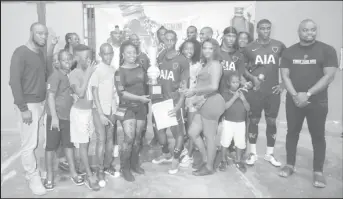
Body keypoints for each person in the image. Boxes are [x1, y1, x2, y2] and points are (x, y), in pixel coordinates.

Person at [279, 19, 338, 188]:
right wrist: (296, 95)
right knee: (292, 133)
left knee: (318, 136)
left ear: (316, 31)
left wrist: (309, 94)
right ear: (299, 32)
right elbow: (285, 76)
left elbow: (329, 76)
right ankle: (290, 164)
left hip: (317, 102)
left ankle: (318, 172)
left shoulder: (327, 50)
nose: (309, 33)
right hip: (294, 101)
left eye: (312, 30)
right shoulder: (289, 52)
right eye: (305, 30)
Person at [9, 22, 49, 195]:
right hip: (28, 105)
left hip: (41, 104)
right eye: (40, 33)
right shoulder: (20, 52)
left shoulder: (39, 53)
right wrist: (23, 108)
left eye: (45, 34)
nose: (43, 37)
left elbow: (44, 76)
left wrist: (45, 101)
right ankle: (32, 176)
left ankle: (37, 171)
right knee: (29, 144)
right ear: (31, 33)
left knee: (40, 141)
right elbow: (14, 82)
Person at [243, 19, 286, 167]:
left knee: (271, 121)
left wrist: (283, 84)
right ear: (257, 30)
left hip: (273, 91)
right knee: (254, 120)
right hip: (255, 91)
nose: (266, 31)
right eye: (262, 28)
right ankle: (253, 153)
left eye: (268, 28)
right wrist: (251, 78)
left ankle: (269, 154)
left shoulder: (278, 45)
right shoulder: (249, 48)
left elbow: (288, 64)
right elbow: (242, 69)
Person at [43, 50, 85, 190]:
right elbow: (50, 97)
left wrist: (72, 96)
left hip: (67, 118)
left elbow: (65, 92)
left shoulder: (68, 76)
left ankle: (73, 173)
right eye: (64, 60)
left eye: (69, 59)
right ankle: (49, 176)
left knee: (68, 145)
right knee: (51, 147)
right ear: (58, 62)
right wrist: (54, 117)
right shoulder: (55, 76)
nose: (67, 62)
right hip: (56, 118)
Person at [184, 39, 225, 176]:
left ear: (215, 50)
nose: (207, 51)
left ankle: (209, 167)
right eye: (205, 48)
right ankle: (207, 159)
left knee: (209, 137)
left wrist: (195, 91)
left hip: (212, 102)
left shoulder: (215, 64)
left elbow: (214, 86)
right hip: (203, 102)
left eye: (210, 48)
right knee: (192, 133)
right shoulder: (207, 63)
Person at [151, 30, 190, 175]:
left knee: (177, 133)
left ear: (176, 40)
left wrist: (179, 104)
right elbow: (157, 79)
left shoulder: (182, 60)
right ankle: (166, 154)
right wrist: (154, 96)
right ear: (162, 40)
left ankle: (176, 159)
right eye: (166, 40)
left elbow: (185, 85)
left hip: (174, 102)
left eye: (171, 40)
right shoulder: (160, 56)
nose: (169, 42)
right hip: (160, 101)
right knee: (159, 129)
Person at [114, 41, 150, 181]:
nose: (132, 55)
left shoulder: (141, 68)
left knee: (137, 138)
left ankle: (134, 164)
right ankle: (125, 168)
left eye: (134, 52)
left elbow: (148, 84)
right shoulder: (119, 72)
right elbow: (121, 93)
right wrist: (140, 98)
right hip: (126, 108)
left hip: (141, 108)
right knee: (129, 138)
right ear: (123, 54)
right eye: (128, 52)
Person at [68, 44, 100, 190]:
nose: (89, 60)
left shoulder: (92, 70)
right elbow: (80, 93)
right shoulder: (74, 73)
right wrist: (88, 73)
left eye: (90, 57)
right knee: (83, 145)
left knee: (86, 143)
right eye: (85, 58)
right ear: (76, 58)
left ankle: (84, 167)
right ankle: (89, 175)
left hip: (89, 112)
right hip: (79, 113)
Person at [90, 43, 120, 186]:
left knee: (109, 141)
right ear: (100, 55)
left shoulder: (113, 70)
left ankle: (108, 166)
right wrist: (101, 114)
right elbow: (94, 91)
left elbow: (114, 92)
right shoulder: (97, 70)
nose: (108, 56)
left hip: (112, 111)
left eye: (110, 53)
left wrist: (115, 109)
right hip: (100, 111)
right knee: (101, 140)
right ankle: (99, 169)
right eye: (105, 53)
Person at [217, 27, 247, 163]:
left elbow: (240, 77)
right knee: (215, 125)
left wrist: (248, 85)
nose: (230, 39)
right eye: (228, 35)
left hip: (231, 96)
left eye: (233, 36)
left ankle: (230, 150)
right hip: (216, 94)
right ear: (223, 36)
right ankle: (213, 150)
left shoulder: (238, 56)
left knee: (230, 125)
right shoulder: (216, 53)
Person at [219, 72, 250, 173]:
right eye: (233, 82)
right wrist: (234, 97)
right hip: (228, 122)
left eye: (237, 82)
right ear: (228, 83)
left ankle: (238, 160)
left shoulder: (243, 92)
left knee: (240, 142)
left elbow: (248, 108)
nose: (236, 84)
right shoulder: (225, 93)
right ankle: (223, 160)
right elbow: (225, 107)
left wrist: (243, 99)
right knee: (225, 141)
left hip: (241, 122)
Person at [178, 39, 202, 168]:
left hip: (193, 99)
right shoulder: (178, 62)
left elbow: (201, 83)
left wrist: (193, 92)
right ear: (182, 49)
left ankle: (190, 155)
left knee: (191, 128)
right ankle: (182, 148)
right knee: (180, 126)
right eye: (186, 48)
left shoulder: (198, 65)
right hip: (179, 99)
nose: (188, 51)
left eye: (191, 49)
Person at [129, 34, 152, 147]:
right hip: (131, 93)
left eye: (136, 39)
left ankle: (141, 138)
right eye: (132, 40)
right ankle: (132, 138)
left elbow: (148, 74)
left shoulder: (144, 56)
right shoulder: (126, 57)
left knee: (144, 115)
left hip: (143, 91)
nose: (135, 42)